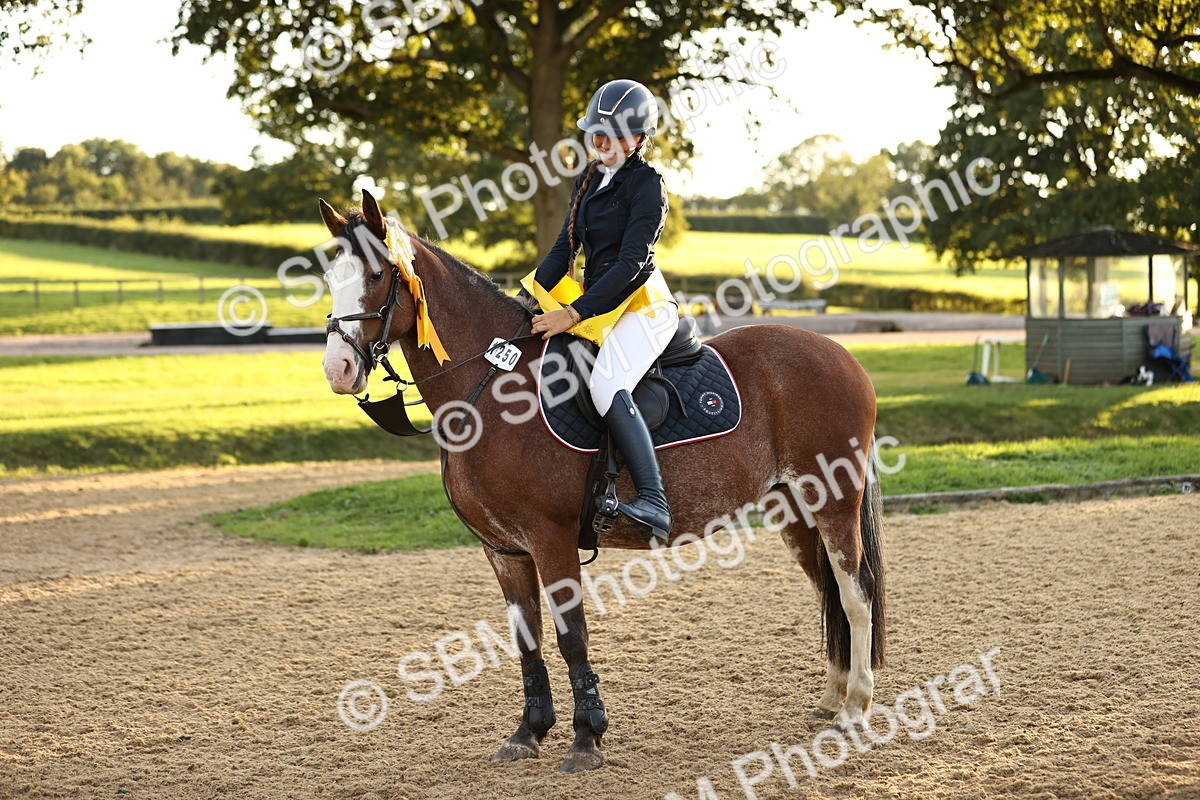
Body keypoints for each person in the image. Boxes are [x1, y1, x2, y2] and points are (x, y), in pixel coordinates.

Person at [527, 78, 679, 542]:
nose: (602, 143)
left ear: (638, 140)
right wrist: (525, 300)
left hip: (642, 305)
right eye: (595, 135)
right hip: (598, 305)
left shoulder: (647, 185)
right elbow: (561, 251)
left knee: (605, 383)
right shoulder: (589, 179)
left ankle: (654, 499)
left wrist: (571, 314)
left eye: (612, 136)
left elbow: (633, 264)